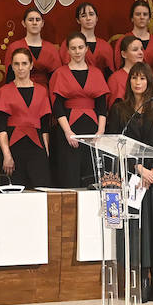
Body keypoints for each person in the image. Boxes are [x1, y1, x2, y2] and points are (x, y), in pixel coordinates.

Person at [107, 63, 153, 302]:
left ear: (149, 82)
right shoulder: (119, 110)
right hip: (132, 180)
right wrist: (138, 169)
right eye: (134, 78)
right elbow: (115, 146)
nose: (138, 82)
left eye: (142, 78)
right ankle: (142, 281)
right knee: (139, 233)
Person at [50, 32, 109, 188]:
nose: (77, 51)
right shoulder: (60, 73)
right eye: (73, 48)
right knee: (70, 173)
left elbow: (102, 104)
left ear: (86, 49)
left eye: (80, 47)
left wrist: (101, 131)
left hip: (92, 128)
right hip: (69, 129)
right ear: (67, 51)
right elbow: (57, 106)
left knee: (92, 174)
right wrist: (68, 132)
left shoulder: (96, 72)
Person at [0, 49, 52, 189]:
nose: (20, 68)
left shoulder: (42, 90)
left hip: (37, 147)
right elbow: (1, 127)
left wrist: (46, 153)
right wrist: (7, 155)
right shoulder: (4, 91)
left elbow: (45, 127)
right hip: (13, 148)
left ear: (31, 65)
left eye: (24, 63)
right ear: (12, 66)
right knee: (13, 193)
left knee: (41, 191)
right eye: (16, 64)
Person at [4, 6, 62, 86]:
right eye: (30, 20)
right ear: (24, 23)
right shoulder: (14, 47)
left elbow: (57, 79)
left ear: (42, 23)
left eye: (37, 20)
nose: (34, 23)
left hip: (45, 93)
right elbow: (9, 78)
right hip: (19, 91)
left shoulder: (51, 49)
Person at [120, 0, 153, 82]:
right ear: (132, 18)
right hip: (127, 82)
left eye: (145, 14)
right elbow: (119, 66)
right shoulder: (123, 40)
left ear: (149, 18)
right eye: (138, 14)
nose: (142, 17)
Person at [74, 1, 115, 76]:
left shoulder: (105, 46)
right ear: (78, 20)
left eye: (91, 14)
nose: (88, 18)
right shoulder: (70, 44)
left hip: (100, 84)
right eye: (83, 15)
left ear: (96, 18)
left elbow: (110, 74)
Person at [109, 36, 147, 104]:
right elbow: (115, 108)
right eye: (135, 50)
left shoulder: (148, 74)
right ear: (124, 54)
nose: (141, 52)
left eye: (141, 49)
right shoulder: (115, 78)